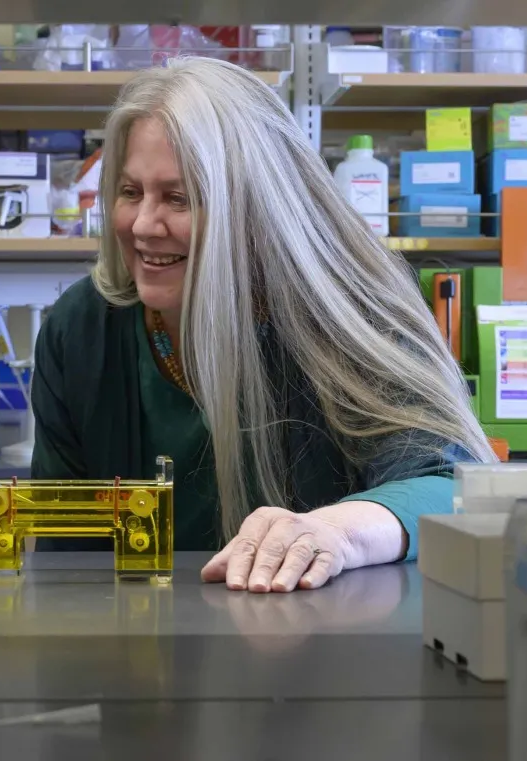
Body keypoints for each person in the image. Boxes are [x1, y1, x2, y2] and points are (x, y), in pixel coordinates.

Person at [30, 57, 495, 593]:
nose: (142, 225)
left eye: (179, 199)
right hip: (138, 654)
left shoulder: (350, 316)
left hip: (325, 652)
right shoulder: (85, 329)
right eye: (131, 192)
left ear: (257, 207)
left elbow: (450, 487)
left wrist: (335, 532)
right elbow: (64, 556)